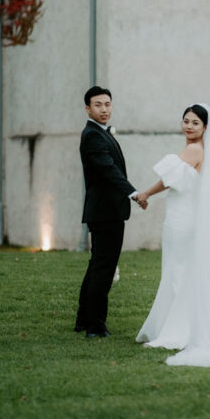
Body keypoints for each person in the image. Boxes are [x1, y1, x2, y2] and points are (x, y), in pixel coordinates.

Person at [134, 103, 210, 367]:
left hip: (182, 221)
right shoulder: (197, 150)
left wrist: (145, 193)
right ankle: (181, 325)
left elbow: (168, 180)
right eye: (186, 121)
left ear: (204, 128)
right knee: (178, 271)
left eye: (195, 123)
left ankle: (179, 331)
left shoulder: (194, 150)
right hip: (183, 216)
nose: (189, 126)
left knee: (178, 272)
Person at [75, 86, 145, 338]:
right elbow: (107, 169)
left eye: (107, 104)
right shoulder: (92, 135)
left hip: (105, 211)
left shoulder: (99, 133)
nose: (104, 109)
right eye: (98, 105)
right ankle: (95, 326)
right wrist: (133, 193)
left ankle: (84, 319)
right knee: (103, 270)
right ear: (87, 108)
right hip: (105, 212)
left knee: (97, 266)